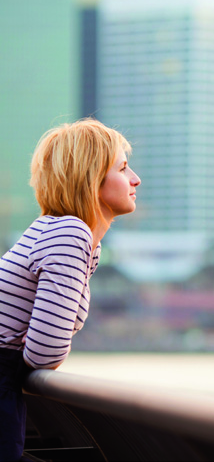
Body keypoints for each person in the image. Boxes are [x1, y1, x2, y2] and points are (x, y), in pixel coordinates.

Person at [0, 119, 141, 461]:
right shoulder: (69, 234)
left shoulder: (65, 234)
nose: (135, 178)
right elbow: (43, 353)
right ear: (92, 180)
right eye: (123, 168)